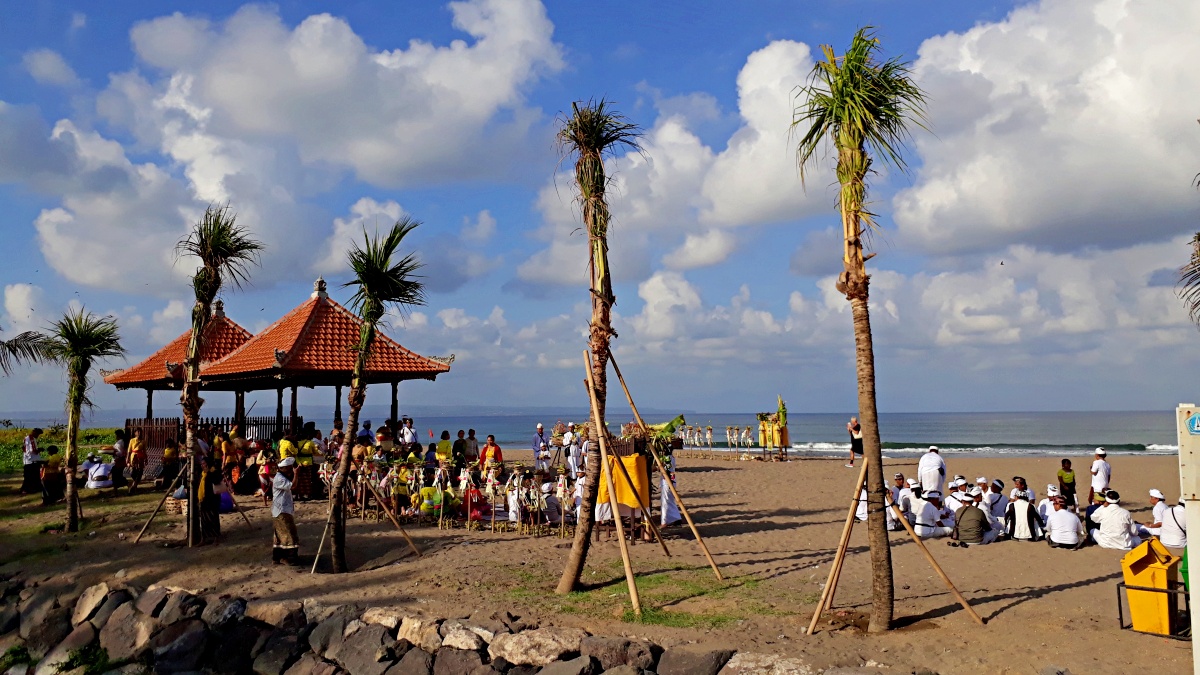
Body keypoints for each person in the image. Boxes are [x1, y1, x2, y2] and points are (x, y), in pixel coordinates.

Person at [272, 457, 299, 564]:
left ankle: (278, 557)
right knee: (288, 533)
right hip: (281, 510)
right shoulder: (279, 478)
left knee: (280, 534)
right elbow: (293, 486)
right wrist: (296, 474)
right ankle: (287, 558)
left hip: (282, 509)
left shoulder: (281, 477)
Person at [21, 428, 45, 496]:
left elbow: (23, 447)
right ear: (34, 432)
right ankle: (26, 489)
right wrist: (40, 449)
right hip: (31, 460)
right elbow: (34, 450)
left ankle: (34, 488)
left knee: (32, 475)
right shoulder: (31, 439)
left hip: (28, 459)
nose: (38, 436)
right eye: (38, 434)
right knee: (30, 476)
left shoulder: (26, 438)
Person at [128, 428, 147, 494]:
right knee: (133, 472)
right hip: (133, 457)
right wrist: (127, 459)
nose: (139, 433)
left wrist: (146, 459)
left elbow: (144, 451)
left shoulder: (143, 441)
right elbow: (129, 450)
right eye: (137, 432)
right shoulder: (132, 440)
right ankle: (135, 484)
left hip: (140, 457)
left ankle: (134, 485)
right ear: (135, 433)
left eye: (140, 432)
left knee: (140, 471)